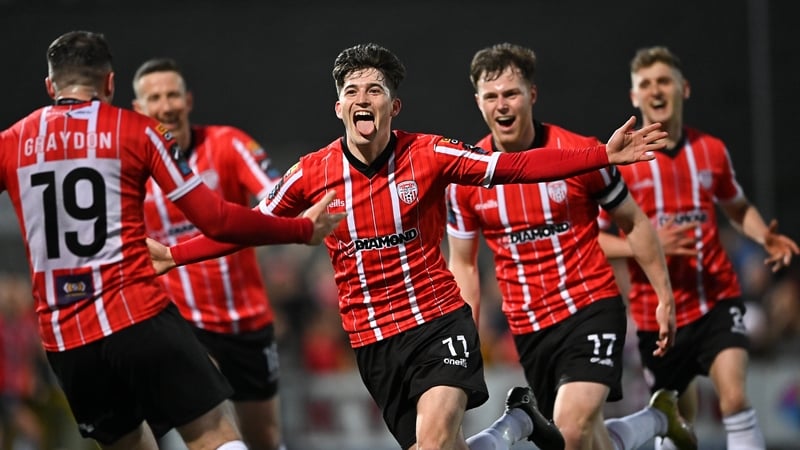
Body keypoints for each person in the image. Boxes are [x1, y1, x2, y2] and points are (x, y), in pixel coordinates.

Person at [146, 42, 667, 450]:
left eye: (374, 90)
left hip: (437, 323)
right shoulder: (310, 173)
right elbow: (245, 225)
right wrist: (174, 254)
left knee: (435, 442)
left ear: (393, 106)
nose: (363, 99)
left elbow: (514, 166)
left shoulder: (429, 153)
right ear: (338, 107)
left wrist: (600, 155)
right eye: (352, 91)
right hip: (373, 340)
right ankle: (515, 426)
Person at [0, 30, 344, 450]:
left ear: (50, 86)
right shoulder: (136, 131)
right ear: (110, 84)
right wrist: (301, 230)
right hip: (136, 314)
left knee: (138, 443)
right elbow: (217, 219)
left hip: (66, 335)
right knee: (213, 433)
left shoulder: (10, 142)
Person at [446, 42, 696, 450]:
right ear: (478, 102)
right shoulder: (468, 178)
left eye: (511, 93)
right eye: (491, 96)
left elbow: (633, 221)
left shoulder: (580, 153)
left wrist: (664, 297)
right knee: (583, 440)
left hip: (589, 306)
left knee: (572, 428)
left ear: (532, 94)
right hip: (529, 326)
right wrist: (466, 338)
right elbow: (464, 265)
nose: (501, 105)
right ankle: (657, 418)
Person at [597, 45, 800, 450]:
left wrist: (764, 235)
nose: (656, 90)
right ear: (634, 96)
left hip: (716, 300)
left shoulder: (711, 150)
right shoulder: (620, 162)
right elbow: (594, 240)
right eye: (646, 84)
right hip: (658, 314)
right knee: (676, 418)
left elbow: (737, 207)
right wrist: (645, 245)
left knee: (734, 397)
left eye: (664, 81)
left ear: (683, 88)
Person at [131, 57, 287, 450]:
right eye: (154, 98)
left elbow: (277, 197)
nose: (165, 106)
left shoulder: (227, 143)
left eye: (172, 95)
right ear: (138, 109)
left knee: (265, 438)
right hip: (184, 325)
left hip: (246, 321)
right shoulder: (131, 170)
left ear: (188, 100)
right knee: (209, 431)